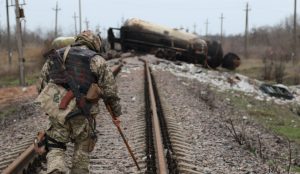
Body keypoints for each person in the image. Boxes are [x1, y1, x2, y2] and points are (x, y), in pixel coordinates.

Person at [36, 30, 122, 174]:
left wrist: (52, 105)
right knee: (82, 150)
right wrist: (116, 114)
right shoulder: (97, 60)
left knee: (56, 146)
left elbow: (41, 86)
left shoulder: (56, 55)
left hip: (58, 111)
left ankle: (56, 169)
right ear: (95, 43)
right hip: (83, 113)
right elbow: (110, 92)